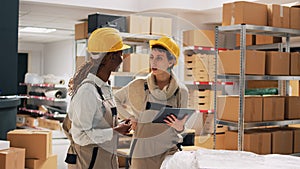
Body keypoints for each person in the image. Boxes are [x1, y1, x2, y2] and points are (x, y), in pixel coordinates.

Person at [114, 36, 189, 169]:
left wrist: (180, 127)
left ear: (171, 62)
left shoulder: (181, 91)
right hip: (142, 154)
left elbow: (182, 126)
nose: (153, 62)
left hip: (168, 153)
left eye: (159, 58)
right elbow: (115, 99)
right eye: (151, 57)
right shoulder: (138, 85)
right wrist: (129, 117)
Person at [63, 27, 132, 169]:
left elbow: (99, 122)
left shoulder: (104, 87)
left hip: (105, 161)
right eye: (120, 53)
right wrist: (115, 132)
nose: (122, 58)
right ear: (110, 57)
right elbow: (80, 136)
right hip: (89, 164)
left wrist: (119, 124)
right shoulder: (87, 91)